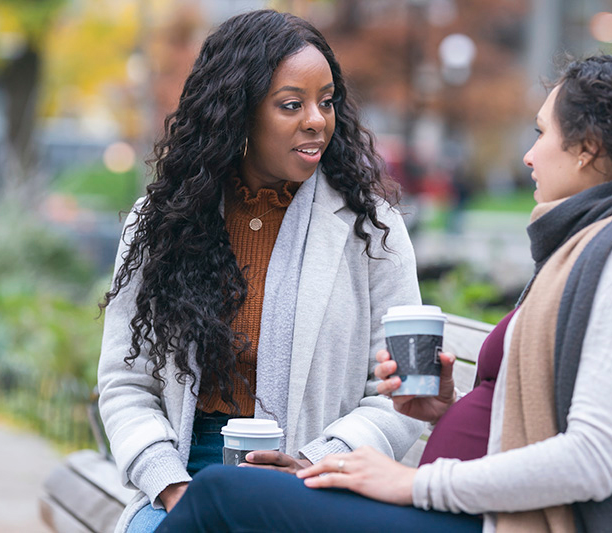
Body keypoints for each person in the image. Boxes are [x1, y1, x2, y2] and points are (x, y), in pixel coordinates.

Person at [155, 54, 612, 533]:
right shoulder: (594, 251)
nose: (530, 155)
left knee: (224, 495)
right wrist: (444, 413)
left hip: (498, 521)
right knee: (246, 489)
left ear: (586, 147)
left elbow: (591, 460)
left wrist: (411, 480)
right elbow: (535, 428)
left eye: (542, 133)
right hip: (474, 509)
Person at [97, 9, 424, 533]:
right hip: (186, 471)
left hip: (314, 481)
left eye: (327, 101)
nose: (317, 119)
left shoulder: (371, 227)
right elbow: (125, 383)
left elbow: (402, 392)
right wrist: (168, 482)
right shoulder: (161, 223)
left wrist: (319, 461)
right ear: (238, 113)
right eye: (291, 104)